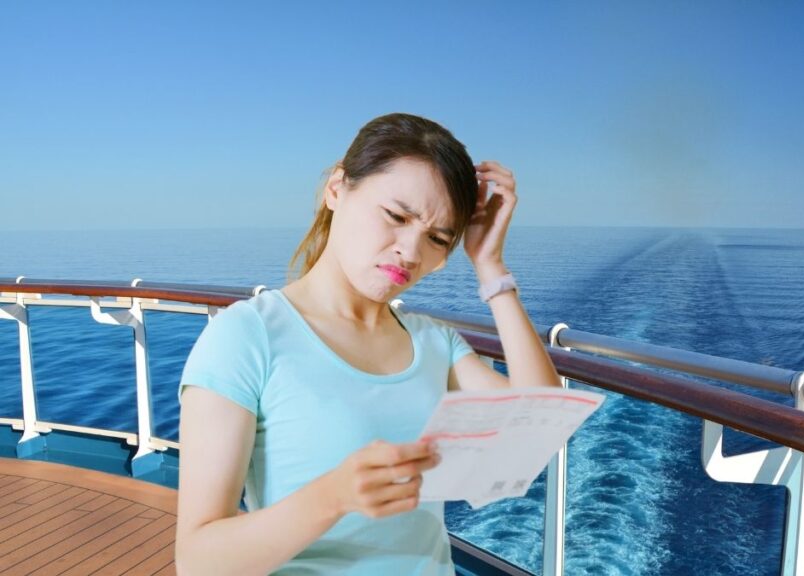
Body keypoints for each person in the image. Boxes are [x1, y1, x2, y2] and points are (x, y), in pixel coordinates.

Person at [174, 112, 562, 575]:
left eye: (437, 238)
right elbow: (198, 563)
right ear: (336, 189)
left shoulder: (435, 343)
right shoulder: (247, 335)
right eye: (396, 216)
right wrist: (333, 496)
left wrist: (491, 266)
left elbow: (540, 423)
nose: (411, 251)